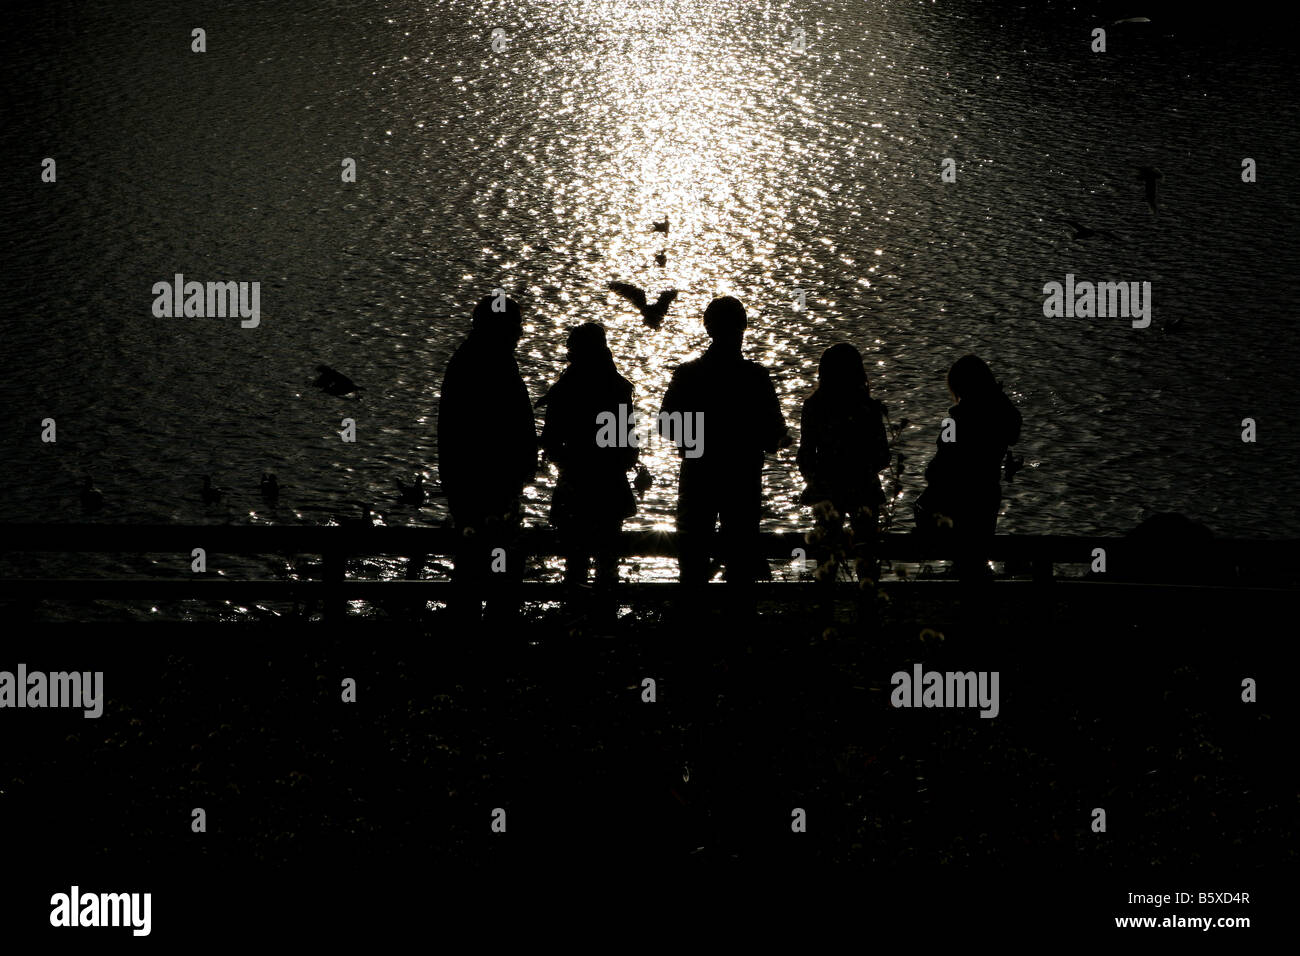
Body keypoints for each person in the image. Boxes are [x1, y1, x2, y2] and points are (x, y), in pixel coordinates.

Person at [660, 296, 788, 588]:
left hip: (698, 474)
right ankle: (738, 624)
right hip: (742, 479)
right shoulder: (755, 377)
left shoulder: (688, 374)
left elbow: (666, 426)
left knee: (692, 560)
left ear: (708, 328)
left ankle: (693, 621)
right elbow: (773, 434)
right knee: (741, 563)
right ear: (743, 327)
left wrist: (699, 439)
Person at [437, 294, 538, 625]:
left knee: (477, 566)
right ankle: (489, 638)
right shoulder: (489, 365)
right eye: (515, 326)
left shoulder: (474, 361)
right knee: (491, 567)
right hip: (487, 488)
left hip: (475, 486)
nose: (520, 333)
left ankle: (474, 635)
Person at [538, 322, 638, 596]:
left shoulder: (565, 389)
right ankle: (605, 622)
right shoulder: (617, 388)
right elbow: (627, 446)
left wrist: (566, 461)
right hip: (609, 487)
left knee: (575, 565)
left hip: (574, 484)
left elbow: (550, 440)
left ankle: (574, 622)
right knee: (607, 564)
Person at [915, 354, 1021, 579]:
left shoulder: (956, 422)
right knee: (977, 558)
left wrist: (931, 474)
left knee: (963, 556)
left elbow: (941, 463)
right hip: (986, 494)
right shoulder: (1001, 415)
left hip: (958, 497)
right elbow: (1012, 431)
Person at [797, 343, 891, 583]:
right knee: (867, 552)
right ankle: (868, 605)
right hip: (864, 487)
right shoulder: (868, 408)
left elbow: (805, 455)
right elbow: (883, 455)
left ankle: (825, 605)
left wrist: (816, 477)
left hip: (827, 489)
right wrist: (861, 467)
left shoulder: (814, 407)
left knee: (827, 554)